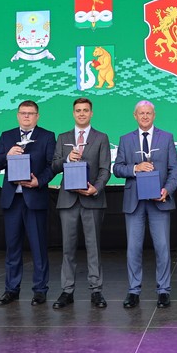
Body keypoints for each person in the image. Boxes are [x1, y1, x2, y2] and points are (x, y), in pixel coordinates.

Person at [113, 100, 177, 309]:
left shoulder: (166, 137)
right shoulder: (125, 139)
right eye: (141, 113)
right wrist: (136, 168)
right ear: (135, 116)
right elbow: (117, 169)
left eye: (148, 113)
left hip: (159, 201)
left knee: (162, 247)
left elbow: (174, 170)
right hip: (134, 201)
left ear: (154, 115)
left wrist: (166, 190)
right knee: (133, 248)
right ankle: (133, 291)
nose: (144, 116)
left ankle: (163, 291)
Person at [0, 100, 55, 306]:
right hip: (12, 200)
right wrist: (7, 155)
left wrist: (39, 181)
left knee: (38, 247)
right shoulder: (6, 136)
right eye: (23, 113)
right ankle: (11, 289)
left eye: (30, 113)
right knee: (13, 247)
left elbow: (53, 166)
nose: (26, 116)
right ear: (18, 115)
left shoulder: (47, 136)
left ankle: (40, 290)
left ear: (37, 116)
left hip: (35, 198)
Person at [50, 97, 112, 309]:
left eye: (86, 110)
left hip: (92, 199)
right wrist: (67, 158)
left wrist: (96, 188)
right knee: (67, 248)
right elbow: (54, 166)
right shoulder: (63, 137)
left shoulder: (101, 137)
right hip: (68, 200)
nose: (82, 113)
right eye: (78, 110)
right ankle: (67, 291)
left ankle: (96, 290)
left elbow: (105, 169)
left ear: (91, 113)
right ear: (73, 113)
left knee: (93, 247)